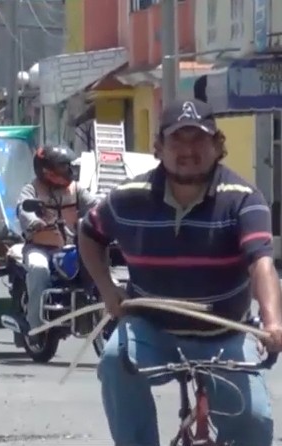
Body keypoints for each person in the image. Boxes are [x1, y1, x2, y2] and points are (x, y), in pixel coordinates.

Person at [79, 99, 282, 446]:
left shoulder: (244, 199)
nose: (188, 151)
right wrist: (108, 290)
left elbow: (261, 262)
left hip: (224, 333)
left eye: (199, 140)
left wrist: (272, 322)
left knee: (254, 420)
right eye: (177, 141)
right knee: (115, 361)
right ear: (158, 148)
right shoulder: (128, 197)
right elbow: (89, 233)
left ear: (218, 145)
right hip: (151, 328)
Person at [16, 145, 97, 342]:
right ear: (46, 170)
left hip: (72, 246)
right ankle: (35, 328)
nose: (68, 171)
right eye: (62, 167)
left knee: (101, 265)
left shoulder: (76, 189)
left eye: (68, 166)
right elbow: (23, 208)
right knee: (38, 269)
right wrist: (34, 221)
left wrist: (108, 214)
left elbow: (95, 206)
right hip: (40, 248)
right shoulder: (32, 189)